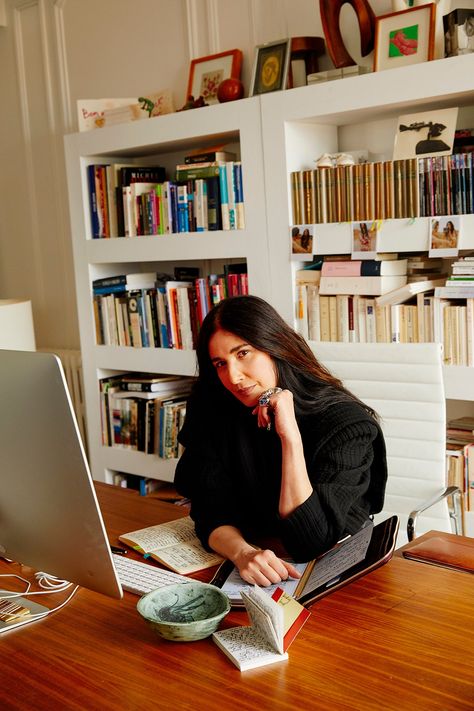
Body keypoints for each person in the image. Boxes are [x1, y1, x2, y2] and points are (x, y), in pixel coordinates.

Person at [174, 295, 388, 586]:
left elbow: (309, 541)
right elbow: (208, 507)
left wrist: (290, 436)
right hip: (253, 563)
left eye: (243, 353)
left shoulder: (346, 424)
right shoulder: (214, 404)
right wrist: (242, 552)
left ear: (275, 347)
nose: (233, 377)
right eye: (220, 363)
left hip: (334, 568)